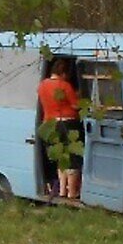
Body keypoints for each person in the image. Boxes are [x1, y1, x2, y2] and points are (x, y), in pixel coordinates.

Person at [38, 58, 83, 202]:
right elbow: (76, 105)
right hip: (67, 124)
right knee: (73, 159)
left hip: (49, 124)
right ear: (63, 73)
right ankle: (73, 192)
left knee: (60, 159)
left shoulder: (42, 85)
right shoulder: (64, 85)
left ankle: (62, 190)